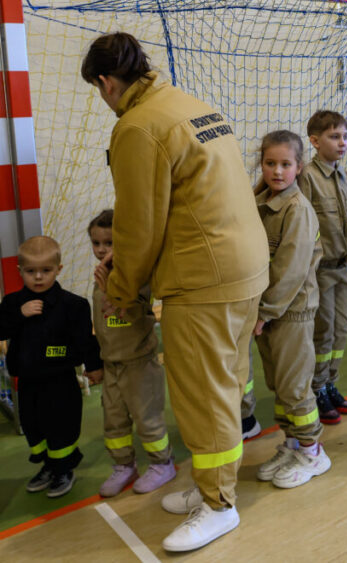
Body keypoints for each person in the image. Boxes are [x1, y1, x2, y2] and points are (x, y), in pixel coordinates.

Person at [84, 32, 269, 553]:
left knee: (201, 395)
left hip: (204, 280)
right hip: (245, 266)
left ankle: (218, 504)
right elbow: (183, 201)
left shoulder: (138, 125)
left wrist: (120, 289)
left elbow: (138, 227)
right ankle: (215, 486)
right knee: (227, 384)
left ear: (106, 82)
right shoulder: (190, 104)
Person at [251, 131, 331, 488]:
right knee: (278, 384)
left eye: (285, 164)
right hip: (267, 312)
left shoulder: (296, 209)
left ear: (299, 167)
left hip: (289, 312)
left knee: (296, 386)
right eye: (270, 163)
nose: (277, 171)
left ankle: (314, 451)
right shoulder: (261, 199)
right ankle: (292, 443)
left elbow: (291, 270)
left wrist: (265, 312)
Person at [0, 236, 101, 499]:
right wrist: (19, 314)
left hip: (60, 380)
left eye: (45, 271)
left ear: (59, 269)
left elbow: (84, 341)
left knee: (61, 427)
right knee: (34, 428)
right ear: (19, 271)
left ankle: (64, 470)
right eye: (31, 271)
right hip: (28, 382)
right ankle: (48, 466)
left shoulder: (73, 305)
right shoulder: (12, 304)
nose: (38, 277)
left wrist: (93, 366)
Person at [89, 210, 175, 499]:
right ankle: (124, 466)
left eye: (109, 243)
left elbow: (138, 315)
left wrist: (111, 290)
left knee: (147, 418)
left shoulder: (135, 278)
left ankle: (163, 464)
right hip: (111, 365)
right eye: (96, 243)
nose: (101, 249)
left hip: (139, 365)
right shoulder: (99, 278)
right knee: (114, 421)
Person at [297, 110, 347, 425]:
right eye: (335, 137)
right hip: (319, 271)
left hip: (342, 269)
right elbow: (302, 227)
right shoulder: (307, 177)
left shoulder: (345, 177)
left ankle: (330, 381)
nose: (342, 142)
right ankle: (316, 387)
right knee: (322, 333)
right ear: (315, 141)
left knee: (341, 331)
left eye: (345, 136)